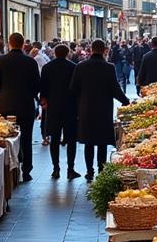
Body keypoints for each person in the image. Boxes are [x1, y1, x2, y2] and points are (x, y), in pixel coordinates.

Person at [70, 38, 130, 181]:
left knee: (88, 142)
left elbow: (73, 89)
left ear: (91, 49)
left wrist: (79, 104)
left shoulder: (81, 66)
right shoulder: (109, 67)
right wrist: (126, 101)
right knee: (102, 142)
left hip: (86, 110)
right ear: (105, 50)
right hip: (103, 110)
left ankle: (89, 171)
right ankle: (101, 169)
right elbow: (115, 89)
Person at [0, 32, 41, 181]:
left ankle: (10, 172)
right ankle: (26, 171)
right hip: (26, 105)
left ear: (9, 43)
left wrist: (3, 92)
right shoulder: (31, 62)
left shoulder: (1, 61)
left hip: (6, 105)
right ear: (23, 45)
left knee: (8, 138)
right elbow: (37, 85)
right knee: (26, 138)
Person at [40, 44, 79, 179]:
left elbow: (43, 88)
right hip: (70, 107)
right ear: (68, 53)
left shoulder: (47, 67)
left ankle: (55, 168)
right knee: (71, 140)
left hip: (54, 107)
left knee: (55, 139)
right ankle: (71, 169)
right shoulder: (74, 67)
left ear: (55, 53)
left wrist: (44, 101)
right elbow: (77, 88)